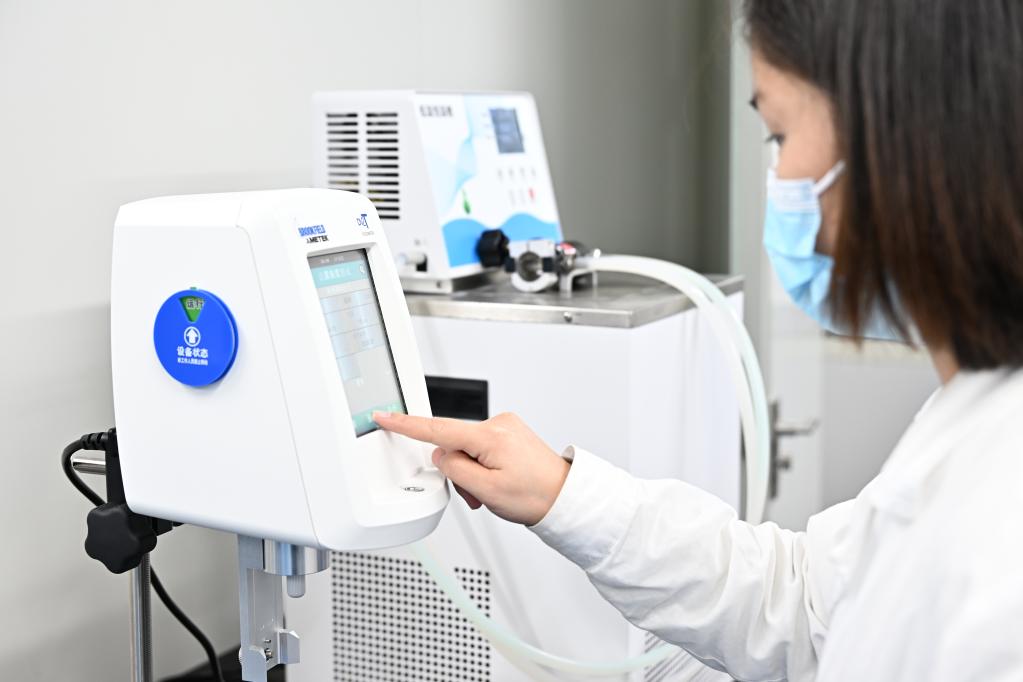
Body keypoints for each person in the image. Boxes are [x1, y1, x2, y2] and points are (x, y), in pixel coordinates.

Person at [375, 1, 1023, 679]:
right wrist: (560, 493)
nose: (779, 180)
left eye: (779, 136)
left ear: (904, 144)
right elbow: (802, 604)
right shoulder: (971, 414)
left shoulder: (1000, 543)